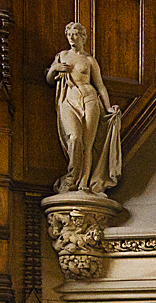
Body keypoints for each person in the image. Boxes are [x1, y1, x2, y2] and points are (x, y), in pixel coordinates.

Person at [47, 21, 122, 194]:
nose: (72, 38)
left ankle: (84, 182)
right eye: (69, 35)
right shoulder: (62, 56)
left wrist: (108, 108)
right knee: (74, 137)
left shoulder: (89, 60)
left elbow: (100, 86)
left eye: (75, 34)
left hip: (89, 98)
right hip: (69, 99)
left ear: (83, 37)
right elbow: (50, 80)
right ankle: (72, 176)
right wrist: (54, 68)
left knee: (88, 144)